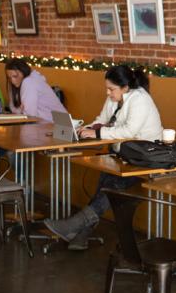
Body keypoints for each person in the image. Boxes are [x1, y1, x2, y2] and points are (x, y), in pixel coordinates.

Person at [44, 65, 163, 250]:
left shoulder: (140, 99)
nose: (108, 93)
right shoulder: (115, 98)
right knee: (103, 185)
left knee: (111, 188)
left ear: (125, 87)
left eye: (111, 89)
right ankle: (81, 234)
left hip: (145, 156)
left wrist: (98, 134)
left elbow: (129, 131)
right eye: (107, 88)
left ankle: (74, 226)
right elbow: (103, 119)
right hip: (124, 154)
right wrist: (86, 129)